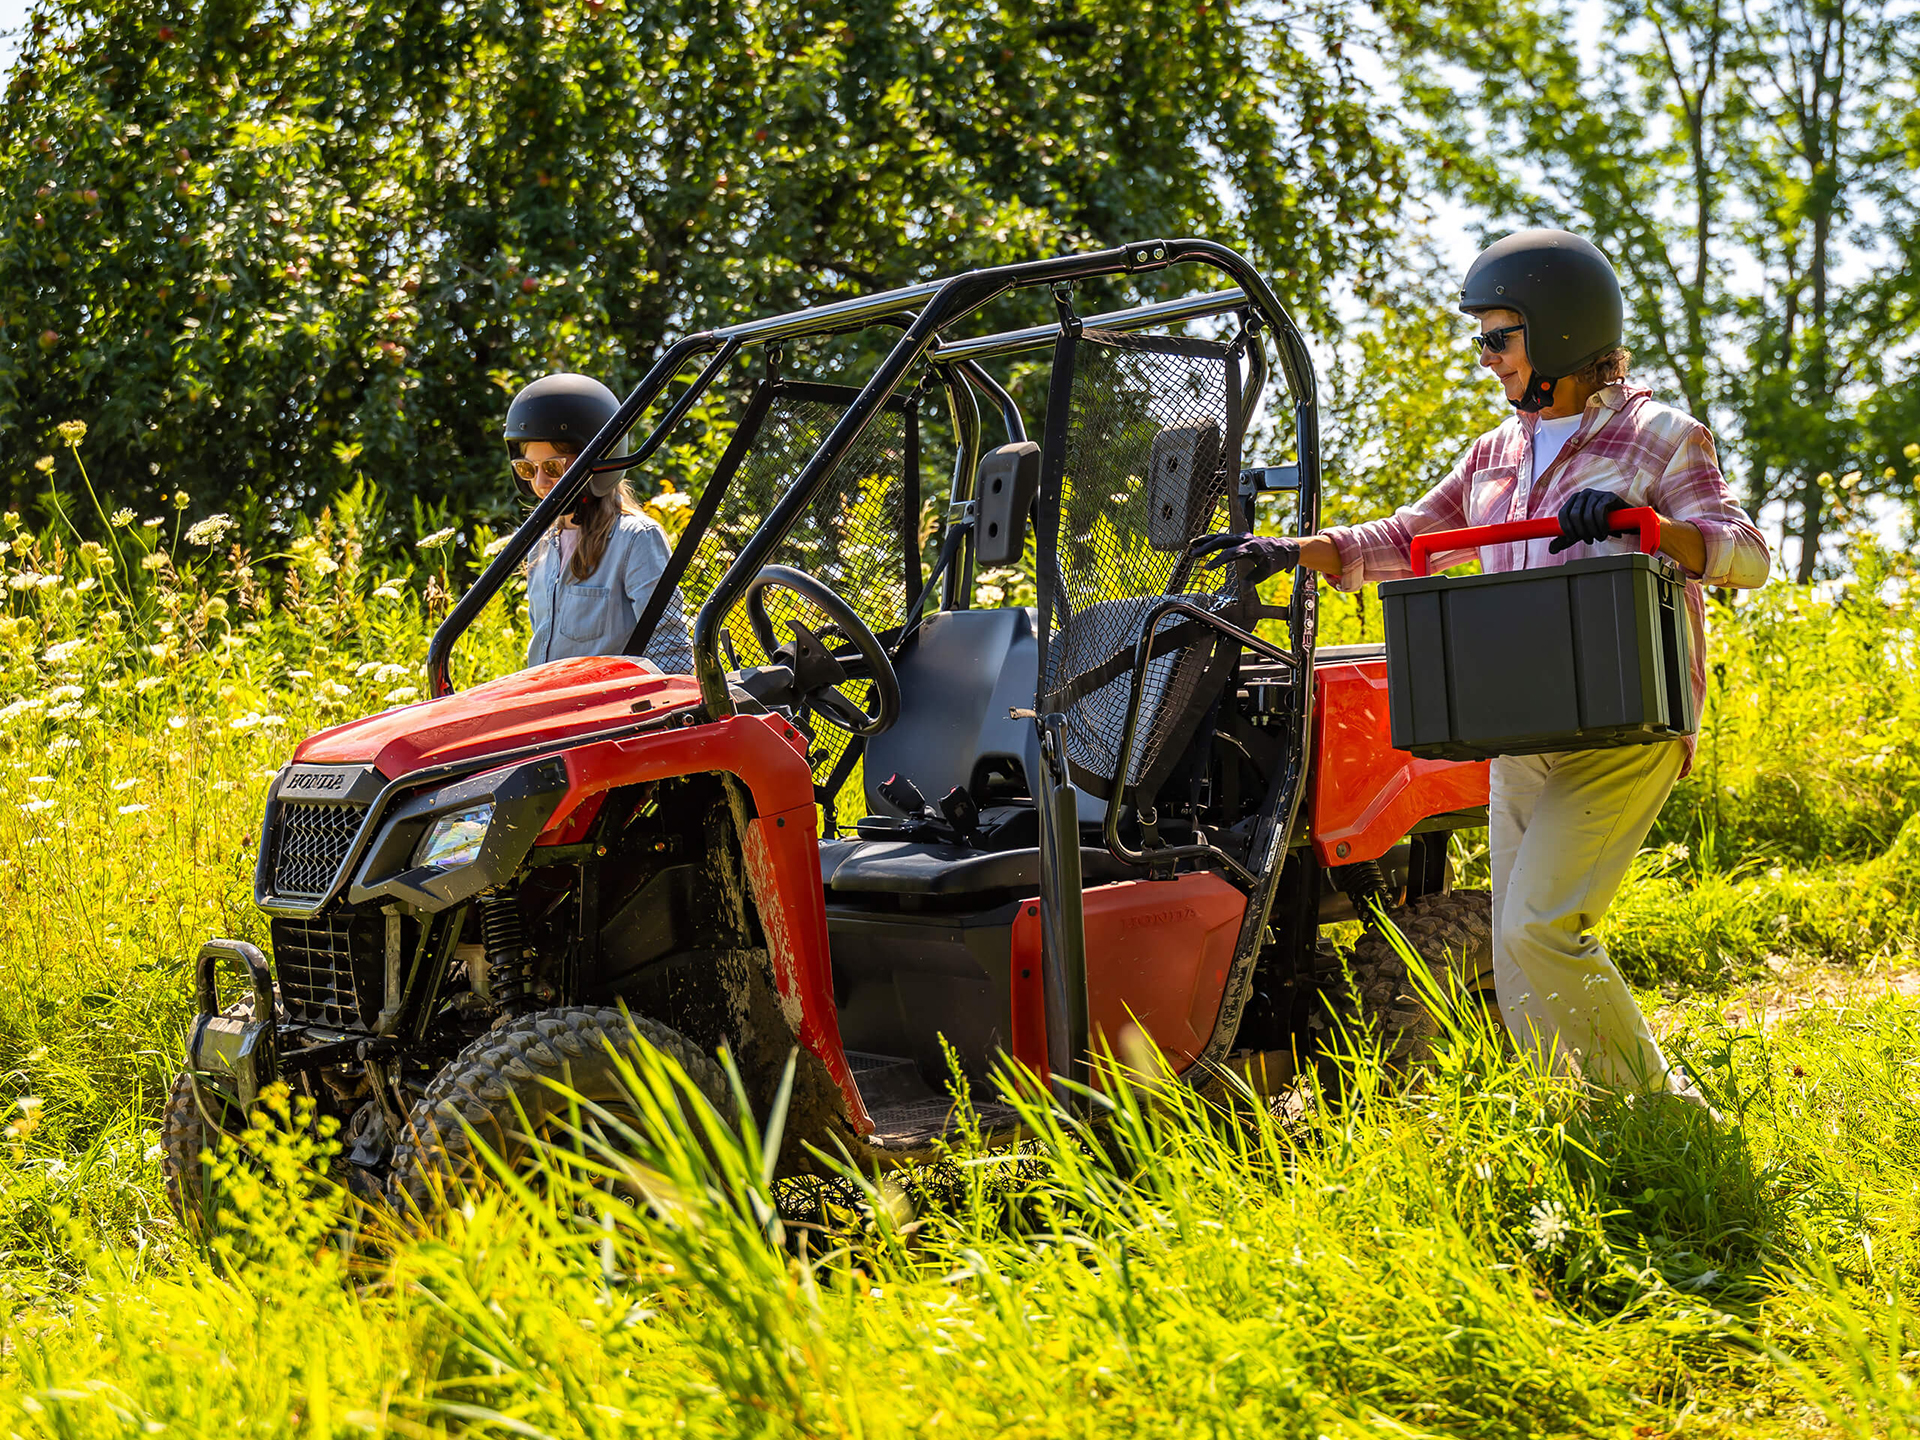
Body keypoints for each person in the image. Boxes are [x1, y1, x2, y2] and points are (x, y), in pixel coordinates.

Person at [1192, 229, 1771, 1100]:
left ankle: (1656, 1108)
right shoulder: (1496, 452)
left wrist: (1640, 523)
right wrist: (1295, 550)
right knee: (1514, 934)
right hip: (1523, 722)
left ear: (1563, 331)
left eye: (1499, 337)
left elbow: (1746, 554)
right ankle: (1577, 1106)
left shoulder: (1661, 438)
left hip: (1624, 722)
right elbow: (1407, 538)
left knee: (1542, 928)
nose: (1487, 358)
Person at [504, 373, 693, 672]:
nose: (541, 482)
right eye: (528, 468)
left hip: (614, 711)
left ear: (599, 462)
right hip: (553, 705)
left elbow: (671, 650)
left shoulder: (634, 540)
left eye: (553, 466)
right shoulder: (540, 545)